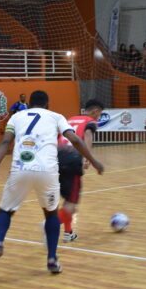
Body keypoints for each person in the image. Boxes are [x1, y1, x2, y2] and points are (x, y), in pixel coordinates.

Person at [0, 90, 104, 274]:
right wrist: (94, 161)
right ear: (47, 104)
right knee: (51, 214)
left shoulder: (17, 117)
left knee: (5, 211)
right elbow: (75, 140)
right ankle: (52, 259)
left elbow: (5, 141)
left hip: (20, 169)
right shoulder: (56, 116)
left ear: (29, 103)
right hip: (47, 171)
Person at [57, 99, 105, 242]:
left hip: (56, 157)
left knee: (67, 200)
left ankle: (68, 232)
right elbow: (88, 135)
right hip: (72, 158)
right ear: (95, 111)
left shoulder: (71, 119)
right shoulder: (90, 121)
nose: (98, 117)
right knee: (72, 203)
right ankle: (50, 225)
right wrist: (88, 157)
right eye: (99, 114)